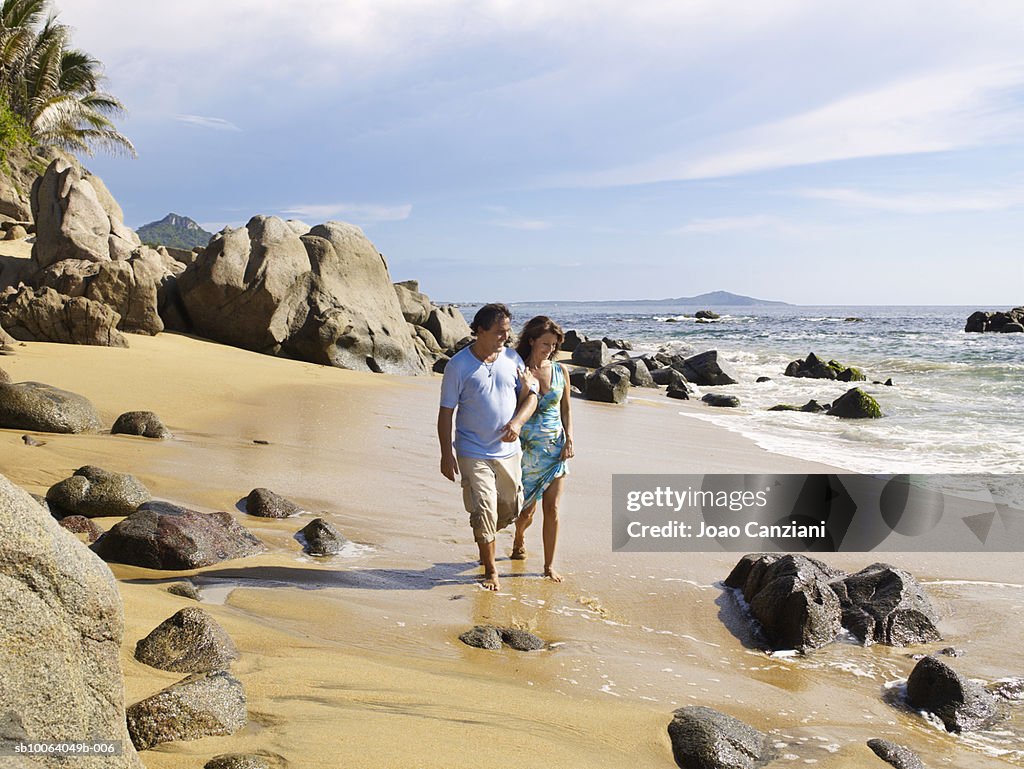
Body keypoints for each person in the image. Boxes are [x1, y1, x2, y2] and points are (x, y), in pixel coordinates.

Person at [437, 303, 539, 591]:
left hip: (508, 451)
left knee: (509, 507)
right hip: (472, 450)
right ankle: (490, 569)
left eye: (507, 332)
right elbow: (446, 413)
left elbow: (531, 397)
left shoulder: (512, 358)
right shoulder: (458, 365)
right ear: (479, 331)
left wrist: (517, 423)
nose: (504, 337)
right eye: (498, 332)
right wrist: (446, 453)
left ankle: (487, 537)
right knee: (484, 509)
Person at [510, 316, 574, 582]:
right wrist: (525, 388)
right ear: (532, 339)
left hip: (556, 448)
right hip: (526, 450)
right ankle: (520, 535)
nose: (549, 349)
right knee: (526, 511)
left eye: (554, 344)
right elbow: (512, 410)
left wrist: (569, 437)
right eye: (545, 343)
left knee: (553, 509)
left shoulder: (560, 371)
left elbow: (566, 408)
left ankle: (549, 565)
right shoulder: (517, 369)